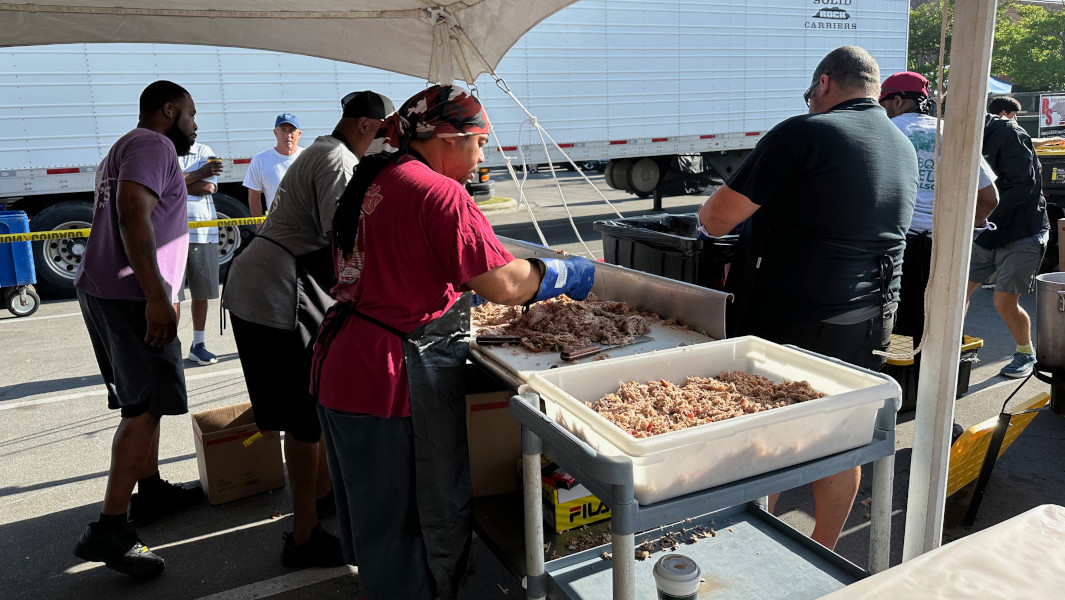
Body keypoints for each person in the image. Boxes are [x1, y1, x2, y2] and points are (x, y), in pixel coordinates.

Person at [311, 85, 594, 600]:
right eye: (480, 141)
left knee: (378, 516)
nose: (483, 154)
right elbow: (504, 285)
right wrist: (565, 273)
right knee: (416, 519)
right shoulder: (438, 192)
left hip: (344, 362)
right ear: (448, 137)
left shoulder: (377, 178)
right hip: (392, 379)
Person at [698, 46, 918, 550]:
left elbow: (715, 219)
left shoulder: (804, 131)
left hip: (797, 317)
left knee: (769, 436)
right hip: (872, 318)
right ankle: (824, 550)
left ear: (823, 84)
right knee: (841, 441)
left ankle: (754, 543)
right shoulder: (898, 141)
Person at [221, 91, 394, 568]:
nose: (386, 144)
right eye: (383, 133)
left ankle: (318, 495)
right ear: (364, 125)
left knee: (305, 406)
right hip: (276, 290)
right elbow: (341, 244)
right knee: (302, 413)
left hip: (265, 282)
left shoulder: (321, 150)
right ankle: (303, 536)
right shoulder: (337, 160)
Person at [71, 80, 204, 577]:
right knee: (145, 408)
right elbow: (132, 213)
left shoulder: (127, 144)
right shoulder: (155, 143)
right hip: (131, 294)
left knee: (143, 400)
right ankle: (110, 528)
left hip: (106, 288)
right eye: (191, 113)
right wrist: (154, 295)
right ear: (169, 110)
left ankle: (150, 492)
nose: (195, 123)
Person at [878, 71, 999, 347]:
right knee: (936, 323)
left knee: (896, 323)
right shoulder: (954, 133)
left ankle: (901, 379)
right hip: (945, 246)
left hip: (897, 246)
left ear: (897, 101)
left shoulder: (888, 132)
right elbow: (990, 198)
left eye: (882, 103)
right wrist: (966, 229)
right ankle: (930, 380)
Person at [965, 96, 1050, 378]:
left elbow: (1022, 187)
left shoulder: (1008, 133)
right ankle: (947, 347)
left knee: (1003, 301)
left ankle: (1026, 353)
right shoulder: (960, 134)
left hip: (1022, 231)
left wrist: (980, 218)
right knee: (955, 295)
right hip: (984, 228)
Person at [177, 141, 224, 364]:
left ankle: (198, 344)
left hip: (203, 231)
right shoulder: (166, 151)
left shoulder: (205, 151)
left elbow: (210, 188)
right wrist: (199, 173)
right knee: (171, 296)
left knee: (201, 292)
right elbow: (161, 186)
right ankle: (170, 348)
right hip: (170, 233)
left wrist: (178, 184)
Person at [243, 113, 303, 217]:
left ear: (299, 134)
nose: (288, 135)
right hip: (278, 227)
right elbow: (254, 196)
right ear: (275, 133)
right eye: (283, 130)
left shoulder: (309, 157)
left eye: (292, 130)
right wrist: (259, 226)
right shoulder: (260, 160)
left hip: (307, 226)